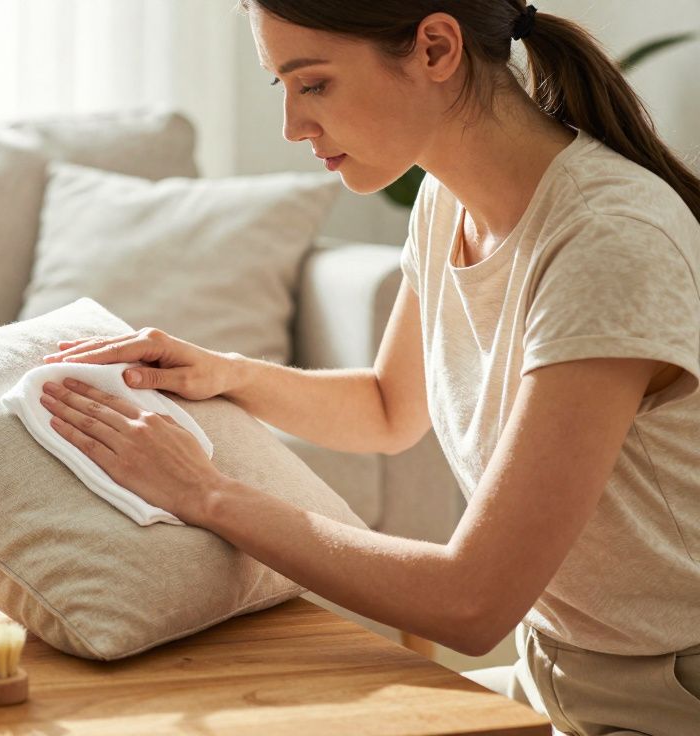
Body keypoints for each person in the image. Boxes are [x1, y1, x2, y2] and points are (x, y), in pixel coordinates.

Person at [35, 2, 700, 733]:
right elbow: (388, 409)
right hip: (556, 675)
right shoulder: (449, 204)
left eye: (313, 84)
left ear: (436, 49)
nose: (293, 125)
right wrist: (226, 373)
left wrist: (207, 494)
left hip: (666, 698)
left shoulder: (607, 242)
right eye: (280, 88)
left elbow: (470, 602)